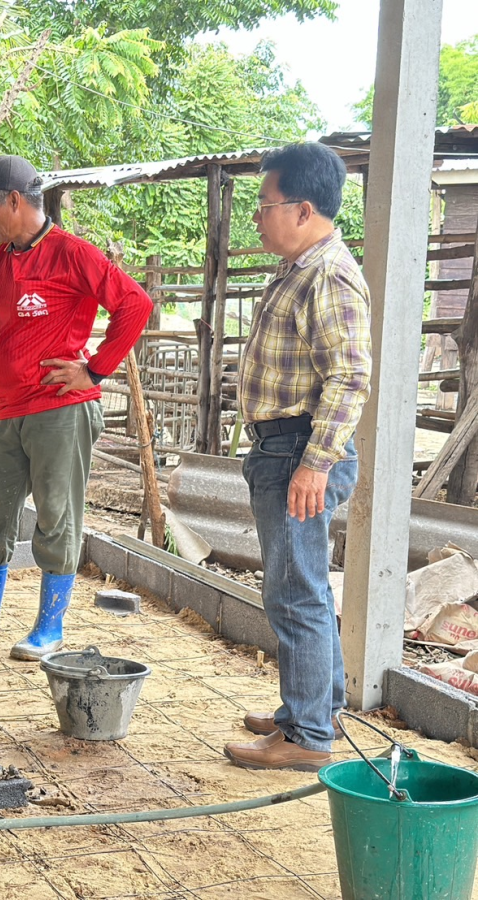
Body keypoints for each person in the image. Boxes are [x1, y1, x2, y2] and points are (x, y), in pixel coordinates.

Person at [0, 155, 152, 660]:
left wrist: (94, 369)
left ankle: (49, 630)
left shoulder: (72, 253)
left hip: (61, 410)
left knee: (56, 517)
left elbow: (135, 304)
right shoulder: (3, 258)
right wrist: (0, 362)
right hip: (12, 410)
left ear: (14, 201)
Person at [223, 142, 372, 772]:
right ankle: (314, 709)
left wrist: (314, 463)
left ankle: (308, 737)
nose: (257, 217)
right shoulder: (299, 268)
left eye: (265, 204)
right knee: (300, 586)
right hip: (287, 447)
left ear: (304, 208)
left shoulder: (328, 275)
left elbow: (349, 376)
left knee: (295, 592)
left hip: (299, 450)